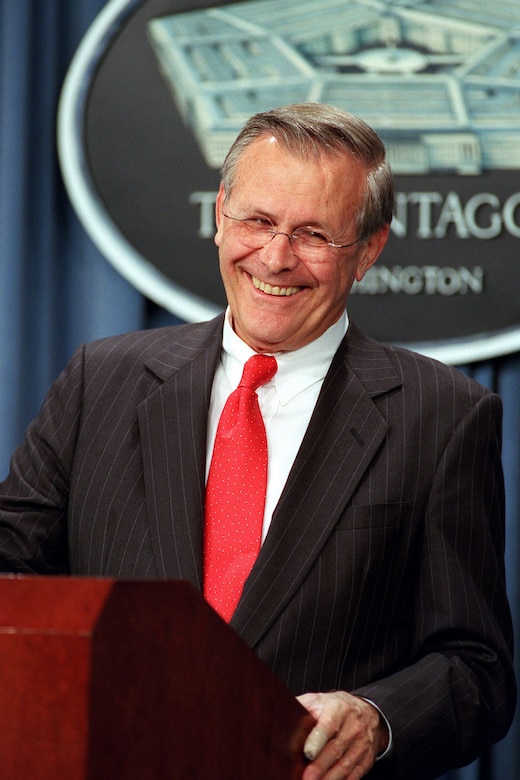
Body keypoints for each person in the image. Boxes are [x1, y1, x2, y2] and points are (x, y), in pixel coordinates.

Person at [0, 103, 515, 780]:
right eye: (259, 221)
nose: (275, 257)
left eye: (313, 235)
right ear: (219, 215)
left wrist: (377, 716)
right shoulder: (102, 380)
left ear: (368, 249)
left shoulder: (444, 417)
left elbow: (476, 670)